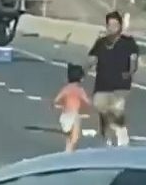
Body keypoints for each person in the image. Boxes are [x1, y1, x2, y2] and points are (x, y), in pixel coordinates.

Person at [86, 10, 139, 146]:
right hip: (102, 84)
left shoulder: (129, 42)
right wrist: (84, 68)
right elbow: (92, 58)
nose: (112, 28)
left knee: (117, 111)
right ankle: (105, 135)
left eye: (115, 25)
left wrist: (130, 72)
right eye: (110, 25)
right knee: (101, 108)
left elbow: (133, 59)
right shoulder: (101, 42)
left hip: (121, 85)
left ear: (120, 26)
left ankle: (122, 136)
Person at [53, 63, 91, 152]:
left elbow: (56, 101)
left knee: (68, 136)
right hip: (74, 116)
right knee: (74, 137)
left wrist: (60, 106)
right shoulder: (80, 90)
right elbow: (88, 102)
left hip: (64, 116)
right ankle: (69, 152)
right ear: (80, 78)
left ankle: (68, 150)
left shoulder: (66, 89)